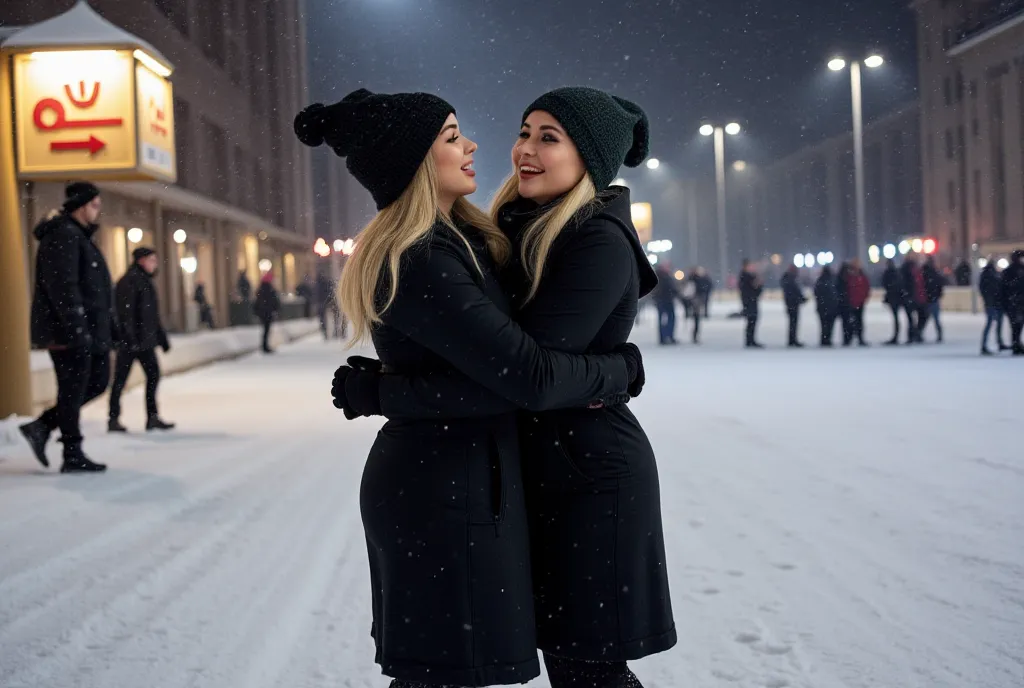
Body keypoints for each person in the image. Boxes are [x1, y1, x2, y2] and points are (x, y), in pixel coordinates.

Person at [294, 88, 645, 688]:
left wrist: (382, 392)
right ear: (414, 161)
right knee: (446, 676)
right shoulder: (423, 257)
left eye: (548, 135)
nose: (478, 145)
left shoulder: (463, 241)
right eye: (452, 136)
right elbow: (523, 379)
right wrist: (620, 371)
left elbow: (508, 373)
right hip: (443, 489)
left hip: (465, 479)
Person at [19, 182, 113, 473]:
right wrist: (77, 329)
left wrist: (110, 328)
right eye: (95, 205)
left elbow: (94, 290)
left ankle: (43, 425)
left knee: (96, 382)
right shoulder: (63, 236)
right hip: (67, 331)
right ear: (81, 206)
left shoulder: (79, 237)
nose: (98, 211)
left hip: (87, 328)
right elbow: (64, 288)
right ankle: (72, 452)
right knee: (73, 389)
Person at [108, 247, 175, 432]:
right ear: (141, 261)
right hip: (132, 342)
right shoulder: (130, 281)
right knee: (120, 380)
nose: (155, 264)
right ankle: (113, 419)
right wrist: (129, 338)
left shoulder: (145, 281)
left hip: (144, 341)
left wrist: (161, 338)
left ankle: (152, 417)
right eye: (151, 260)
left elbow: (151, 315)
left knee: (152, 376)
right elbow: (125, 313)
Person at [979, 259, 1008, 355]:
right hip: (995, 303)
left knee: (990, 324)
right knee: (995, 324)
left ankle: (987, 344)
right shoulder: (993, 276)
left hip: (992, 303)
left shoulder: (986, 276)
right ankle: (997, 343)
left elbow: (985, 290)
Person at [901, 254, 928, 343]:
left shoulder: (917, 271)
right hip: (913, 297)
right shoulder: (907, 271)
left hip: (917, 297)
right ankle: (914, 335)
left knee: (919, 318)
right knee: (913, 319)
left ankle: (915, 334)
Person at [1001, 250, 1024, 355]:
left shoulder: (1010, 271)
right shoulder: (1015, 271)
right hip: (1015, 302)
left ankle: (1016, 344)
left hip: (1014, 302)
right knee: (1017, 325)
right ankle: (1016, 345)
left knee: (1016, 326)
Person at [844, 258, 870, 346]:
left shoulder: (860, 277)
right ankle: (849, 338)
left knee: (858, 321)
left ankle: (859, 337)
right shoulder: (849, 277)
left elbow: (865, 288)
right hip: (851, 302)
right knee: (851, 322)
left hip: (859, 302)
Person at [253, 272, 280, 353]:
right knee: (267, 330)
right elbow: (274, 301)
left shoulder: (260, 289)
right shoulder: (270, 290)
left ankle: (264, 345)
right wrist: (275, 309)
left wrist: (257, 311)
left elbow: (257, 302)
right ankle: (265, 346)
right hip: (268, 313)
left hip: (263, 313)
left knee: (265, 330)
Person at [781, 264, 807, 347]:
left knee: (793, 322)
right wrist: (800, 298)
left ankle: (792, 339)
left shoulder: (788, 279)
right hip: (792, 304)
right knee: (793, 322)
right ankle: (792, 339)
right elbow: (794, 291)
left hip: (791, 303)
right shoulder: (791, 279)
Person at [739, 258, 763, 348]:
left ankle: (751, 339)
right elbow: (749, 289)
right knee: (751, 321)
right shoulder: (745, 276)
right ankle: (750, 340)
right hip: (749, 301)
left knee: (752, 321)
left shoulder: (748, 276)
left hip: (751, 301)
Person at [653, 263, 678, 344]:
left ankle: (667, 337)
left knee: (668, 319)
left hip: (666, 300)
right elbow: (666, 288)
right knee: (666, 319)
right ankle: (665, 337)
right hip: (664, 300)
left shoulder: (664, 276)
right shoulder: (661, 277)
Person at [814, 264, 839, 347]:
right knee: (829, 325)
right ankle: (827, 339)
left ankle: (824, 339)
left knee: (824, 325)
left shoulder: (820, 281)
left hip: (822, 307)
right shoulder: (832, 280)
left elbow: (817, 293)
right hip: (830, 307)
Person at [923, 255, 945, 343]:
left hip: (928, 298)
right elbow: (939, 285)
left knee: (925, 318)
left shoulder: (925, 273)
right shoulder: (935, 273)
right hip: (933, 298)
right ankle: (939, 335)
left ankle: (919, 333)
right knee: (935, 319)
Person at [881, 258, 903, 345]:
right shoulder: (896, 273)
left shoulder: (889, 274)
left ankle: (896, 336)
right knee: (897, 318)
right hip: (896, 298)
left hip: (893, 298)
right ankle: (897, 335)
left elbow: (886, 284)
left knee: (896, 318)